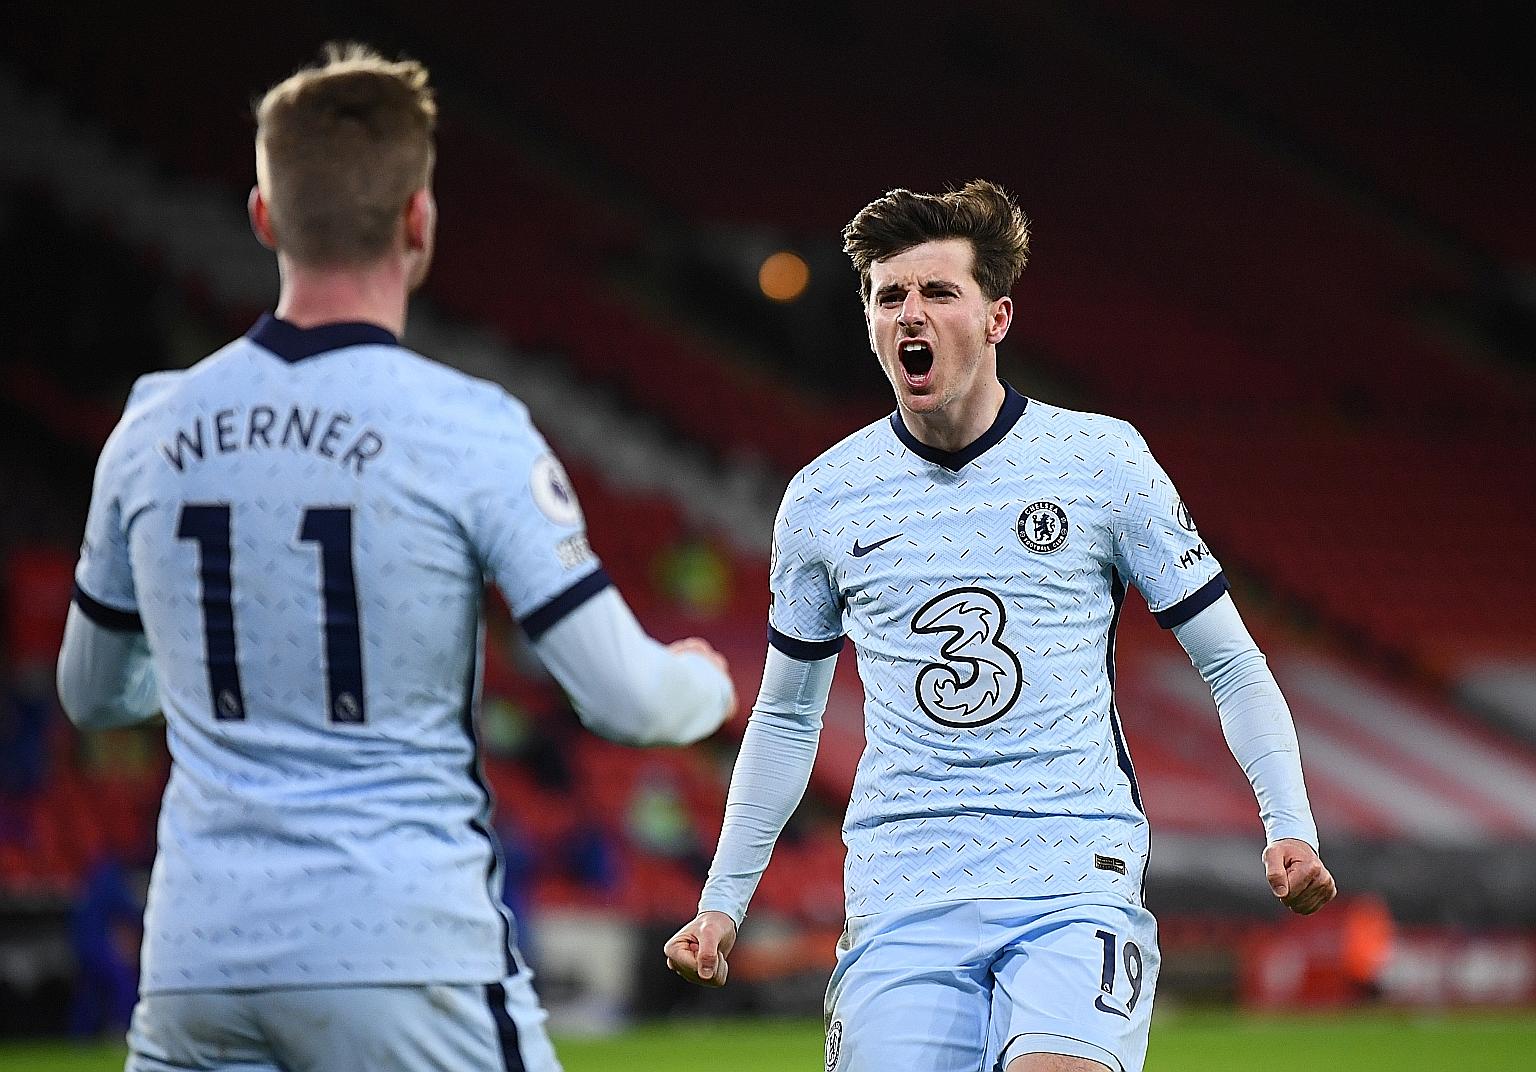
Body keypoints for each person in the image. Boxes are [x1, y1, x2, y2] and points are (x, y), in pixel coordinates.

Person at [55, 42, 735, 1072]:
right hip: (400, 951)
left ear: (264, 217)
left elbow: (92, 694)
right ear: (419, 223)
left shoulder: (152, 426)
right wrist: (706, 683)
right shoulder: (466, 427)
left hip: (198, 958)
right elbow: (626, 699)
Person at [665, 181, 1335, 1072]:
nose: (912, 312)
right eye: (888, 295)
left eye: (939, 292)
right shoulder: (824, 498)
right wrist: (723, 902)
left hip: (1070, 877)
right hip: (904, 889)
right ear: (869, 320)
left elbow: (1233, 666)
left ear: (997, 318)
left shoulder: (1101, 463)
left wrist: (1288, 822)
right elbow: (788, 718)